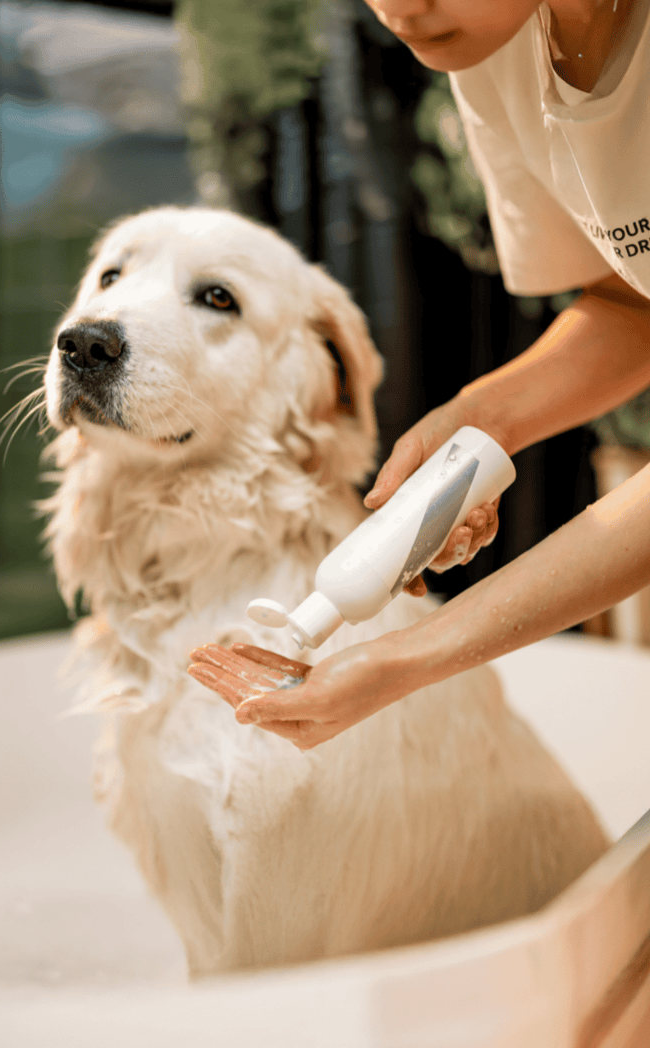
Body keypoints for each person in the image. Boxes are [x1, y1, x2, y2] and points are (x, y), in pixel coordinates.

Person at [188, 0, 650, 750]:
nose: (401, 7)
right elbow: (637, 298)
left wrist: (407, 659)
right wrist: (485, 416)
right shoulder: (498, 48)